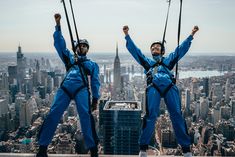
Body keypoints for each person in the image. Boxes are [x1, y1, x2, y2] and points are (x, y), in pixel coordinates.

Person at [123, 25, 199, 157]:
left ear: (162, 51)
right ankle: (143, 148)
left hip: (170, 87)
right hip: (154, 87)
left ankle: (186, 149)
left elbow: (180, 50)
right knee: (150, 115)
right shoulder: (148, 63)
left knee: (177, 115)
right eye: (152, 48)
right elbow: (136, 52)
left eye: (157, 47)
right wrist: (127, 36)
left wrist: (191, 35)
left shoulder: (168, 61)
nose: (154, 48)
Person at [36, 13, 100, 157]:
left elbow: (95, 81)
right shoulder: (69, 59)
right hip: (65, 88)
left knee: (85, 116)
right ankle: (42, 148)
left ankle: (93, 149)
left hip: (81, 89)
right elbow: (60, 45)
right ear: (76, 48)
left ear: (87, 49)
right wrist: (58, 25)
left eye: (84, 46)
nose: (82, 47)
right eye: (80, 46)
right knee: (53, 114)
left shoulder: (91, 64)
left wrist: (95, 99)